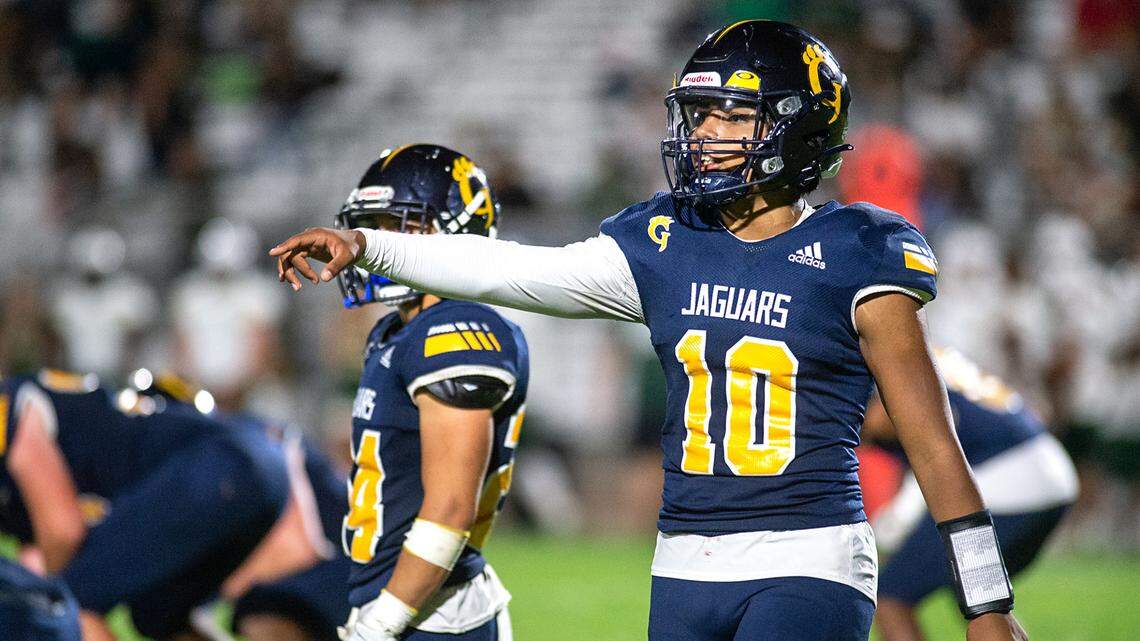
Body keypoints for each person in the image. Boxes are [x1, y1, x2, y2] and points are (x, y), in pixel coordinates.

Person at [269, 21, 1024, 641]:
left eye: (733, 114)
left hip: (809, 553)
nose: (707, 133)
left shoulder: (859, 252)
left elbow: (934, 441)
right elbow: (515, 270)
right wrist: (373, 245)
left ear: (796, 126)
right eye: (700, 114)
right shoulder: (665, 240)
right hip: (682, 565)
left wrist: (987, 601)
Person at [330, 145, 528, 641]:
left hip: (431, 612)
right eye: (372, 224)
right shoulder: (398, 330)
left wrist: (383, 622)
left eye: (396, 225)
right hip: (406, 596)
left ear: (456, 232)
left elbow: (450, 507)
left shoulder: (459, 326)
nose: (377, 242)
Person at [0, 369, 291, 641]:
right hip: (257, 471)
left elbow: (62, 531)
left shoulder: (5, 406)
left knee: (66, 606)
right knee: (155, 616)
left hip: (220, 465)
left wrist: (54, 591)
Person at [120, 370, 354, 641]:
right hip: (338, 565)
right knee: (161, 617)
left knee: (264, 612)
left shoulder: (243, 451)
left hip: (342, 564)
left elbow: (295, 549)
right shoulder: (234, 446)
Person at [864, 347, 1078, 641]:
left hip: (1005, 477)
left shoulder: (878, 356)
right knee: (982, 602)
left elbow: (897, 422)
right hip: (1045, 468)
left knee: (891, 597)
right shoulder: (920, 347)